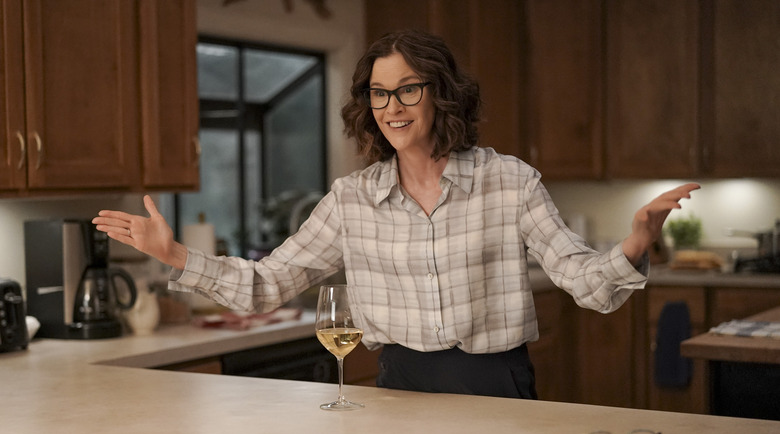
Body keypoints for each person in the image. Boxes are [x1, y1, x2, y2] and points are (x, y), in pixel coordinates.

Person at [93, 29, 700, 400]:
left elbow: (583, 282)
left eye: (408, 88)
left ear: (441, 93)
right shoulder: (351, 200)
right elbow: (267, 283)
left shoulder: (507, 181)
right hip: (400, 385)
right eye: (379, 93)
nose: (392, 106)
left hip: (497, 383)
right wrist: (173, 255)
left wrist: (633, 244)